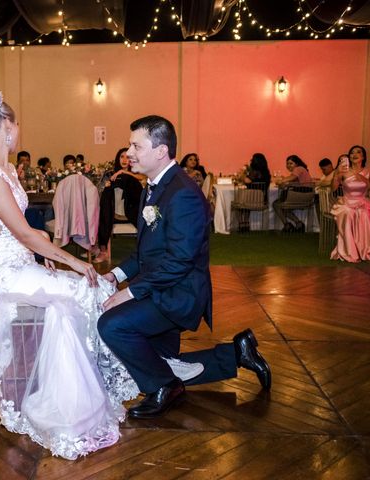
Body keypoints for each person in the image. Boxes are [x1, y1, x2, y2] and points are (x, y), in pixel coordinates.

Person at [0, 90, 140, 460]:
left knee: (89, 290)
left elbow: (16, 229)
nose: (18, 130)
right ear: (6, 126)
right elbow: (19, 233)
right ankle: (70, 402)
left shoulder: (3, 170)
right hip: (5, 275)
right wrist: (72, 260)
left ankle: (94, 385)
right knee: (82, 290)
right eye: (15, 124)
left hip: (21, 262)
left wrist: (39, 247)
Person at [98, 115, 271, 419]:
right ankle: (238, 353)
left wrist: (131, 293)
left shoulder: (183, 195)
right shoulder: (154, 187)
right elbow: (145, 253)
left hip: (180, 294)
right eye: (130, 145)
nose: (129, 152)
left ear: (161, 151)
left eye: (136, 145)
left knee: (111, 324)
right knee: (164, 360)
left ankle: (163, 387)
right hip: (161, 284)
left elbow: (180, 260)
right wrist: (115, 275)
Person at [93, 147, 144, 263]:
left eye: (128, 157)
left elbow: (145, 178)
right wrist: (105, 185)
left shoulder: (137, 171)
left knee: (128, 180)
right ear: (117, 159)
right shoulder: (110, 173)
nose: (124, 160)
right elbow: (98, 190)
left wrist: (124, 172)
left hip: (131, 210)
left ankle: (102, 250)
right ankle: (102, 250)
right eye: (122, 157)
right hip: (112, 211)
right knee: (108, 190)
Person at [330, 145, 370, 262]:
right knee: (348, 213)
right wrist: (336, 175)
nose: (354, 154)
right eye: (352, 153)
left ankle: (365, 250)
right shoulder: (344, 171)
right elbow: (333, 189)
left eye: (358, 152)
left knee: (364, 214)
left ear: (363, 156)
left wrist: (366, 181)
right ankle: (348, 251)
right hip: (346, 202)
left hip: (362, 202)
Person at [273, 154, 313, 232]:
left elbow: (291, 178)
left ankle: (287, 225)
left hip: (300, 195)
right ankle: (298, 224)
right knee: (284, 207)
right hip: (306, 196)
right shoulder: (301, 170)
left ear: (296, 164)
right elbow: (291, 182)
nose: (288, 165)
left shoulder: (298, 169)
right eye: (287, 163)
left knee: (276, 204)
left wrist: (281, 181)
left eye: (291, 163)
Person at [237, 153, 271, 232]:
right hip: (261, 199)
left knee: (238, 204)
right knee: (246, 203)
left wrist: (243, 173)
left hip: (250, 198)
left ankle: (242, 223)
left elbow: (247, 180)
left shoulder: (255, 172)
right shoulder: (266, 172)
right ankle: (246, 223)